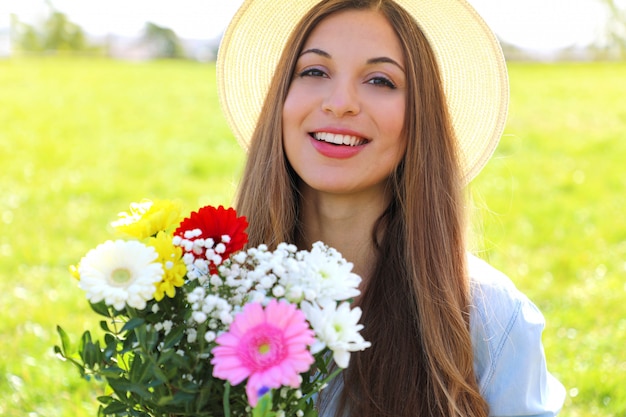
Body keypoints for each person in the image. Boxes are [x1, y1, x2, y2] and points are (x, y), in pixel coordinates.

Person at [217, 0, 566, 416]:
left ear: (422, 117)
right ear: (281, 100)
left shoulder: (491, 320)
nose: (340, 102)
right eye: (314, 71)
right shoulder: (205, 294)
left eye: (381, 80)